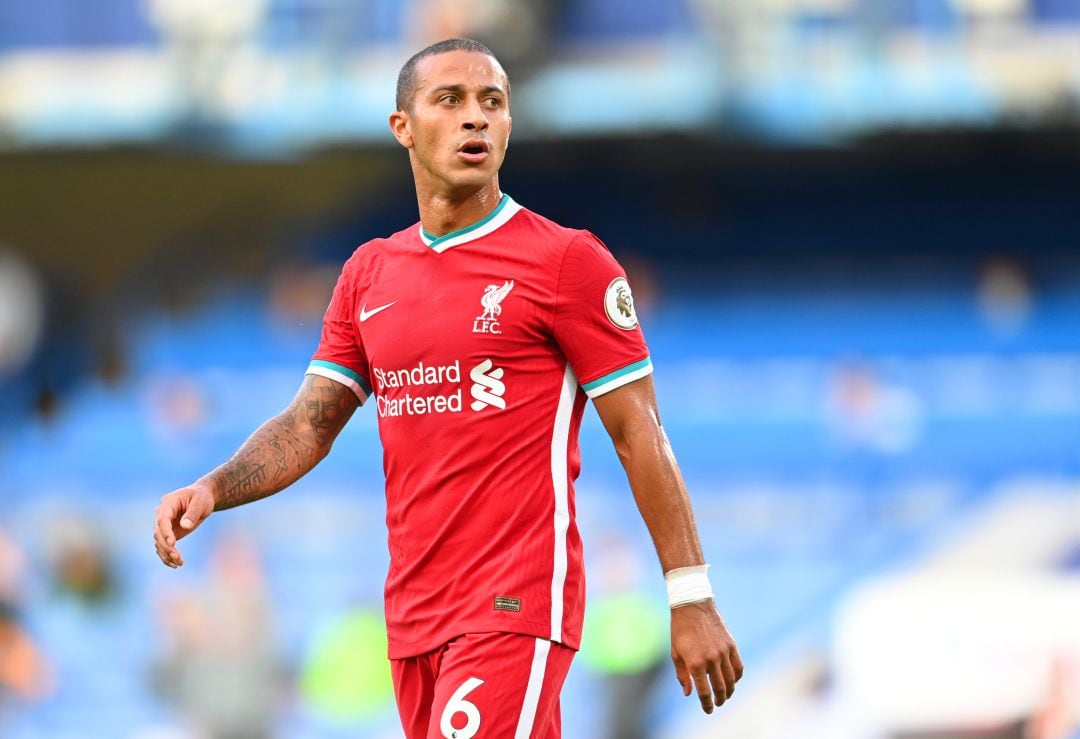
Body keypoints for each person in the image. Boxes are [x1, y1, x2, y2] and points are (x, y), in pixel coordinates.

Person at [153, 37, 742, 738]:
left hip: (512, 607)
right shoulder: (370, 274)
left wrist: (691, 595)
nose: (476, 119)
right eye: (451, 100)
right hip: (414, 617)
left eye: (493, 102)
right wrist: (215, 487)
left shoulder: (567, 263)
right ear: (403, 126)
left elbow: (638, 430)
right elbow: (310, 423)